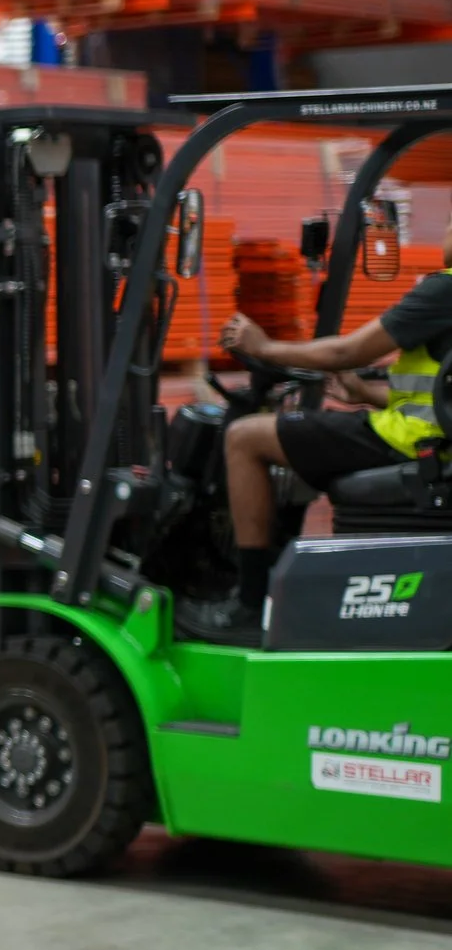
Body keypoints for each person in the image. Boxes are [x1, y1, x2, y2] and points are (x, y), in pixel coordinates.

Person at [188, 225, 452, 642]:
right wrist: (365, 392)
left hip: (404, 443)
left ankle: (250, 601)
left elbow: (347, 351)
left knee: (244, 437)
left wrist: (264, 347)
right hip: (427, 440)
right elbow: (440, 399)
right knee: (295, 431)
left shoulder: (443, 292)